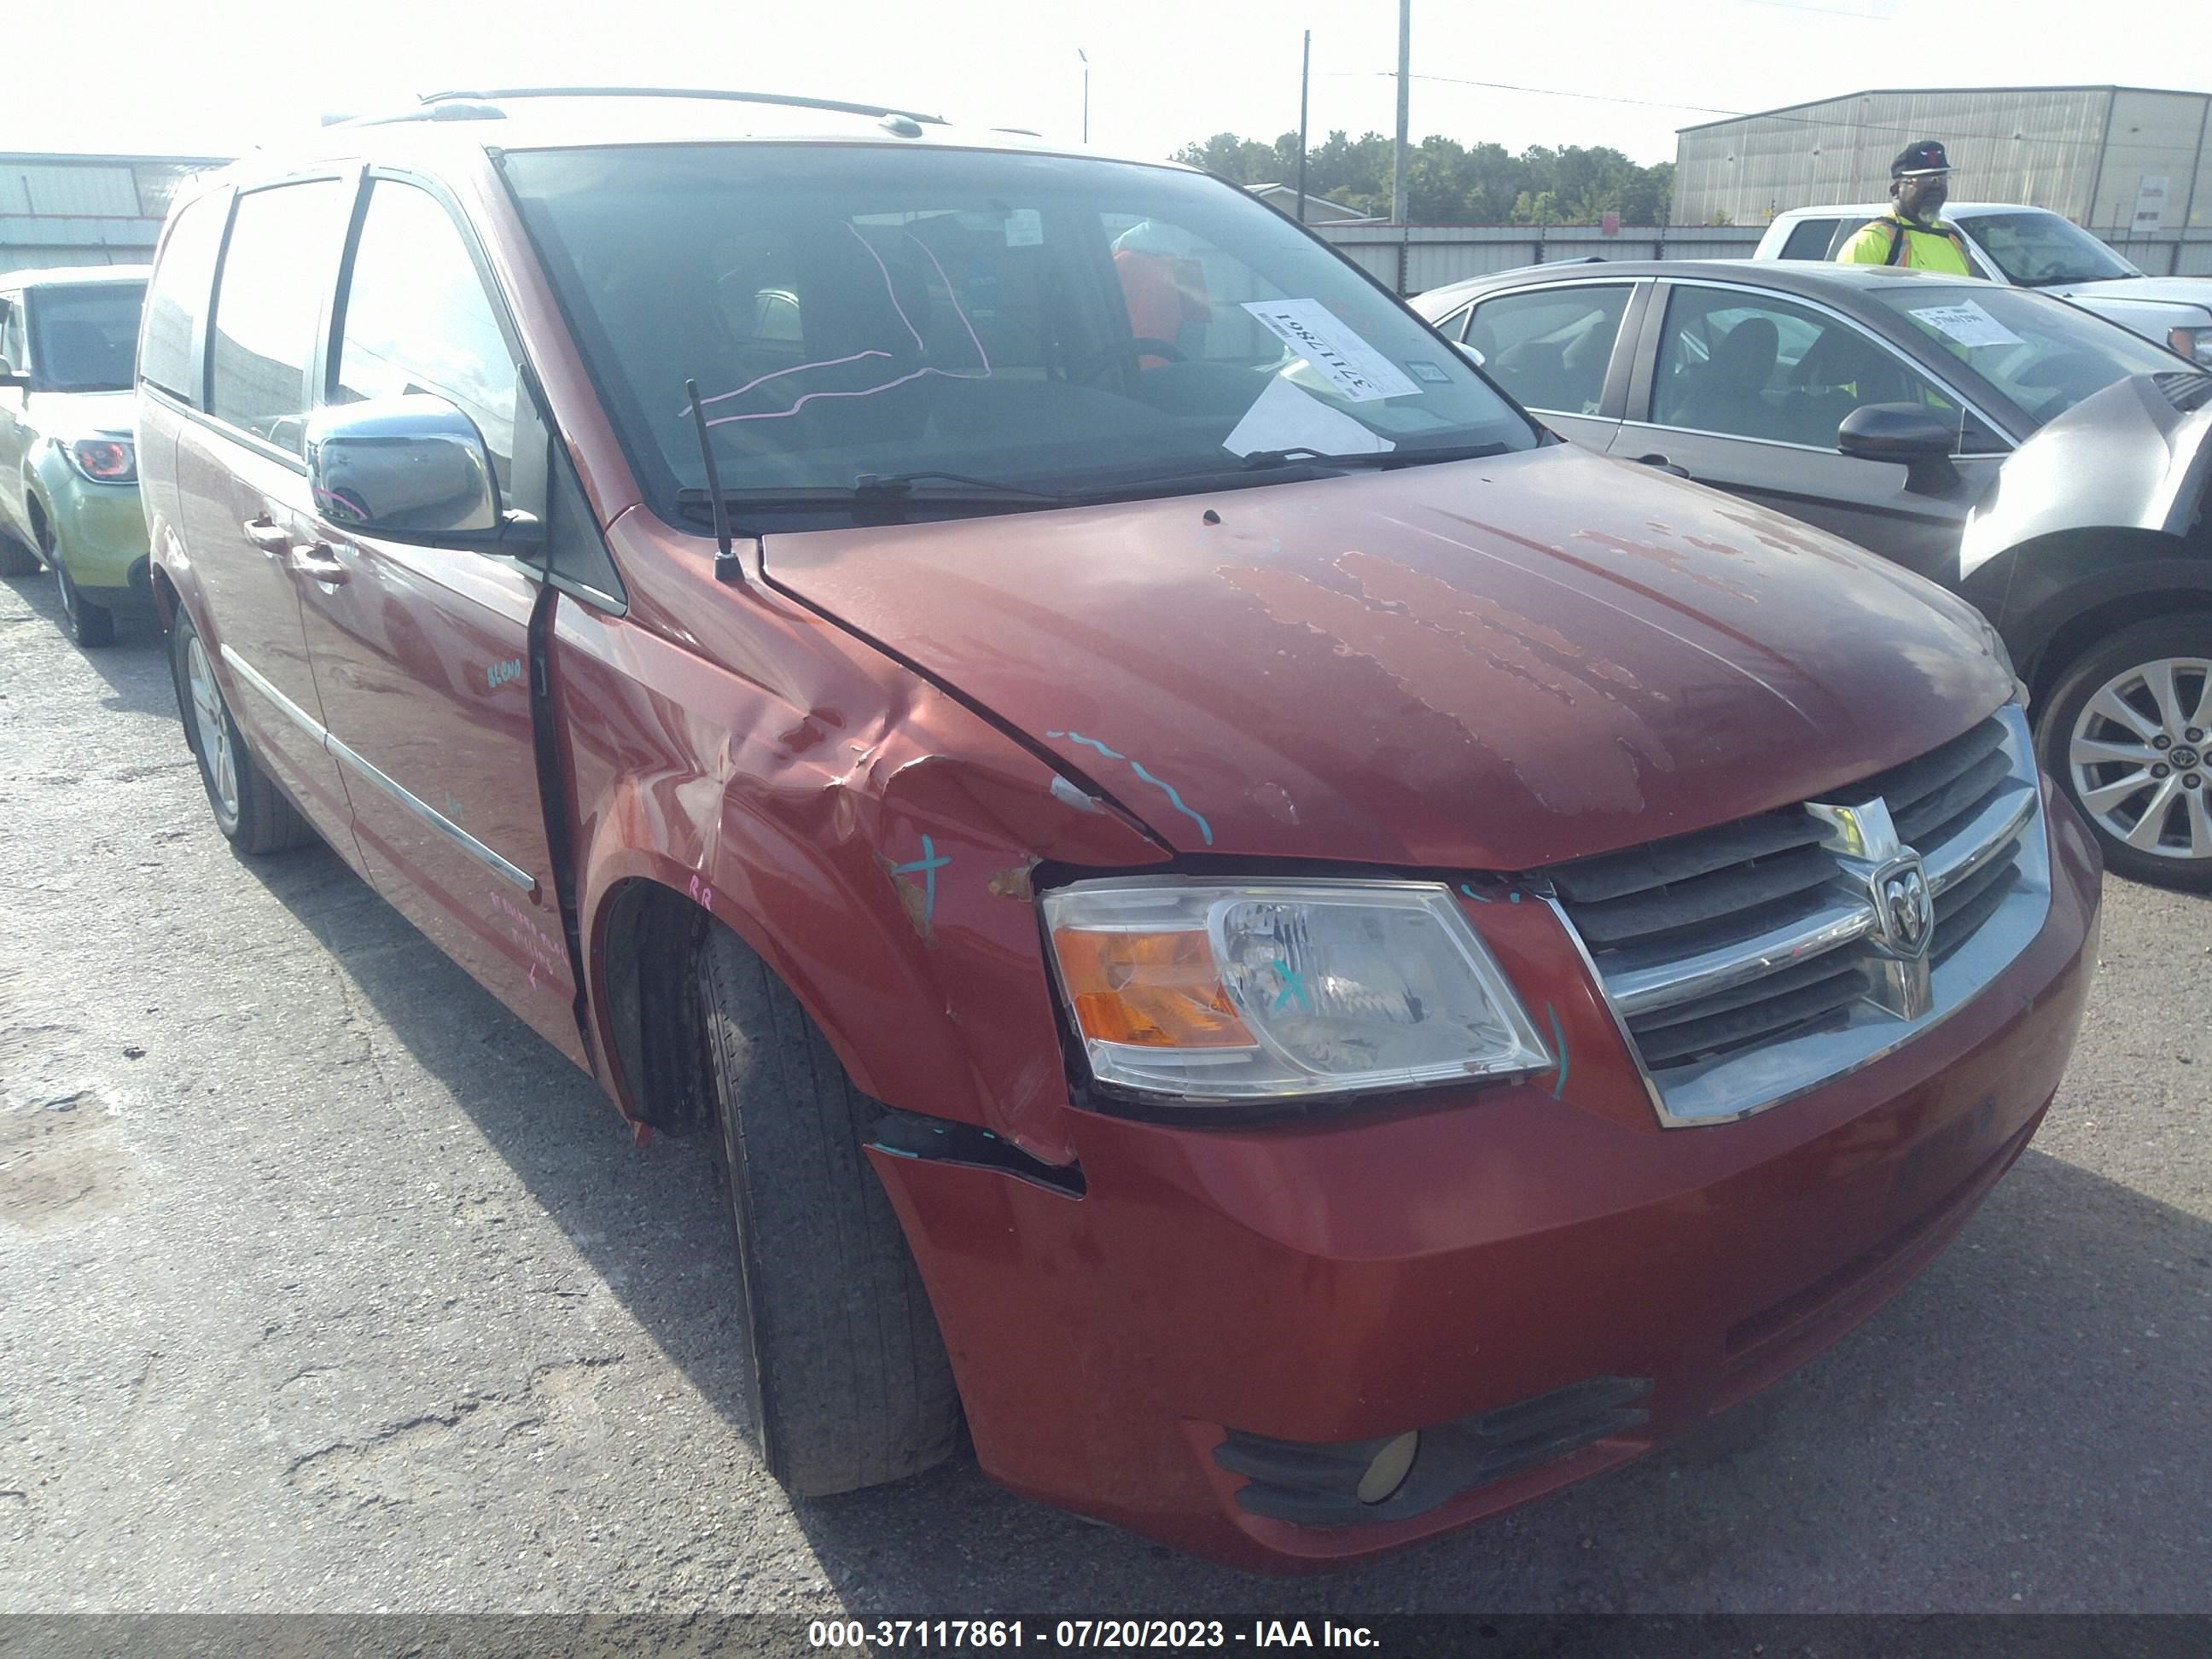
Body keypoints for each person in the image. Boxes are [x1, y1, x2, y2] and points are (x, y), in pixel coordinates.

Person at [1835, 141, 1974, 275]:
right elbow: (1846, 297)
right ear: (1895, 190)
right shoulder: (1872, 241)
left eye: (1942, 178)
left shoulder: (1953, 237)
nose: (1936, 185)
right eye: (1923, 180)